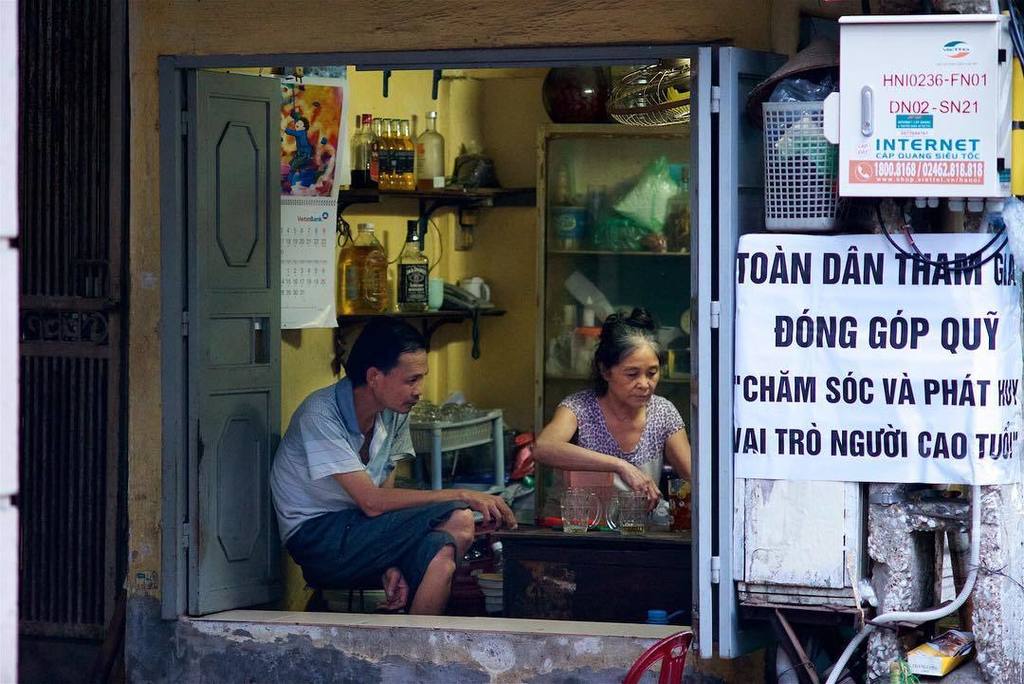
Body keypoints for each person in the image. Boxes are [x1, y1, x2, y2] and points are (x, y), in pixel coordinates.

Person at [271, 317, 517, 615]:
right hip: (318, 538)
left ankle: (413, 651)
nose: (419, 391)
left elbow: (384, 505)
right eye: (411, 380)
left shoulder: (393, 414)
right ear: (374, 376)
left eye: (421, 379)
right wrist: (462, 494)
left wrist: (391, 562)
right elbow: (373, 502)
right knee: (460, 514)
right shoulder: (321, 414)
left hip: (362, 531)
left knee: (445, 548)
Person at [534, 308, 691, 510]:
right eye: (632, 374)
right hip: (577, 532)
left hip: (636, 531)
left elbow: (695, 479)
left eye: (652, 373)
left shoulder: (663, 412)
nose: (644, 384)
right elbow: (543, 448)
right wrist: (620, 465)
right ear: (605, 371)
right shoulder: (579, 408)